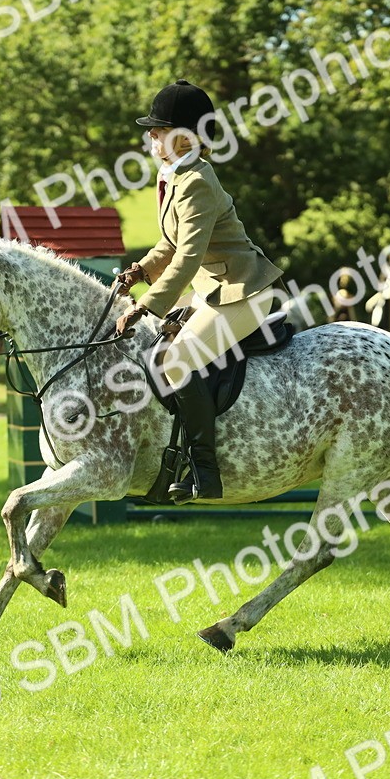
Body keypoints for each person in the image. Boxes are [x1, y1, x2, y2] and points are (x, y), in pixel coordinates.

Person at [113, 79, 284, 503]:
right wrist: (137, 271)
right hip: (215, 288)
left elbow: (188, 257)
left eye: (158, 130)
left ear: (184, 136)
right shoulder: (177, 176)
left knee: (177, 361)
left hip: (245, 291)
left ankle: (204, 472)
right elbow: (170, 245)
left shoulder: (196, 182)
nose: (150, 137)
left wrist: (146, 306)